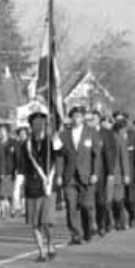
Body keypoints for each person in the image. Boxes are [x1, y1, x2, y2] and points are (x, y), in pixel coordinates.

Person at [17, 110, 62, 261]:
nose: (38, 126)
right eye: (35, 124)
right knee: (34, 223)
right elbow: (22, 167)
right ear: (31, 126)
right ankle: (42, 252)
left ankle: (50, 243)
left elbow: (60, 154)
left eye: (41, 124)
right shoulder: (26, 145)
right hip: (32, 187)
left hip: (47, 186)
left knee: (46, 222)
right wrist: (18, 189)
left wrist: (55, 139)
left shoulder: (51, 142)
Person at [58, 105, 101, 245]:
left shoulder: (91, 132)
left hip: (86, 175)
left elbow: (96, 155)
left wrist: (95, 173)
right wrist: (59, 174)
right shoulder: (63, 134)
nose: (76, 119)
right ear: (71, 118)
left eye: (79, 116)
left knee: (85, 205)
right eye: (74, 116)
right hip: (69, 176)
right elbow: (59, 157)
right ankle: (75, 234)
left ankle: (87, 229)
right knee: (71, 205)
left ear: (83, 118)